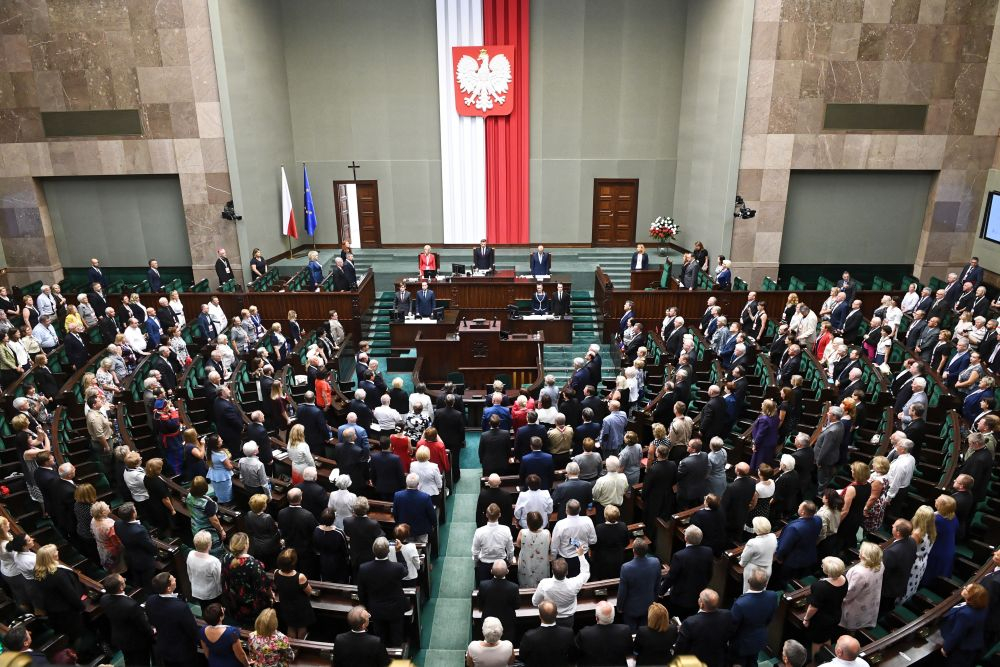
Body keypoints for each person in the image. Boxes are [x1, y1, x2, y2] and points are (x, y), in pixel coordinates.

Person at [658, 525, 713, 620]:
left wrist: (661, 592)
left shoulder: (679, 556)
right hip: (698, 597)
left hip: (680, 599)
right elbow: (709, 573)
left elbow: (671, 577)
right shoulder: (708, 552)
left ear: (685, 538)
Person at [33, 544, 84, 648]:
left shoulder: (38, 572)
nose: (58, 552)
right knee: (76, 635)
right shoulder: (59, 575)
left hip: (53, 611)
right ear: (52, 557)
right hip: (67, 612)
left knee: (64, 635)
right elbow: (70, 594)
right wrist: (81, 606)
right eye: (55, 551)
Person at [146, 573, 200, 667]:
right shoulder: (180, 607)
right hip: (183, 651)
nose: (175, 578)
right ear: (168, 588)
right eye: (173, 579)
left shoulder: (150, 600)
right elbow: (192, 629)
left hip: (164, 647)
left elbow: (151, 620)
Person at [100, 573, 155, 666]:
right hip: (136, 641)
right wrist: (151, 631)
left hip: (120, 638)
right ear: (121, 587)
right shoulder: (130, 605)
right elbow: (143, 625)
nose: (125, 579)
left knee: (129, 660)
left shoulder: (104, 599)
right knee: (142, 662)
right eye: (123, 580)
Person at [531, 545, 590, 626]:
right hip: (568, 619)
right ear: (567, 572)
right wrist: (581, 555)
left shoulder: (544, 584)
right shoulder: (574, 584)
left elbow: (535, 602)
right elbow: (585, 573)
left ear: (552, 571)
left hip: (549, 618)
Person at [731, 567, 779, 667]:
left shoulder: (740, 604)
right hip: (759, 638)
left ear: (748, 581)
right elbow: (769, 619)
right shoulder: (773, 596)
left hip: (741, 644)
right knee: (753, 662)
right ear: (766, 583)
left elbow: (732, 627)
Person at [673, 588, 732, 667]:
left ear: (701, 604)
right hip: (718, 660)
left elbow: (680, 648)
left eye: (699, 598)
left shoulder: (690, 622)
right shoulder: (727, 615)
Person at [802, 556, 848, 654]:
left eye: (823, 565)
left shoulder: (820, 587)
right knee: (827, 637)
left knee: (817, 642)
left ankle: (815, 662)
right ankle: (826, 657)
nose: (822, 566)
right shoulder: (844, 579)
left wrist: (806, 619)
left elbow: (813, 607)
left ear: (827, 571)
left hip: (821, 621)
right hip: (835, 615)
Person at [616, 538, 662, 631]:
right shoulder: (656, 562)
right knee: (645, 633)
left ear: (633, 550)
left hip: (631, 609)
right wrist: (654, 602)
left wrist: (619, 607)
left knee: (631, 634)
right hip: (649, 606)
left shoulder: (626, 568)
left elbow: (622, 591)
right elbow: (657, 585)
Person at [940, 582, 989, 666]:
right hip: (973, 643)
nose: (964, 588)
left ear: (972, 597)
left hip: (961, 650)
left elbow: (956, 634)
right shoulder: (982, 607)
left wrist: (945, 648)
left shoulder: (966, 614)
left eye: (966, 589)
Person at [840, 541, 884, 631]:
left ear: (863, 556)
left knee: (851, 628)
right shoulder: (880, 564)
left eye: (861, 550)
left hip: (856, 606)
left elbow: (849, 593)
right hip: (870, 601)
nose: (859, 551)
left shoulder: (859, 572)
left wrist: (838, 598)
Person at [273, 548, 315, 639]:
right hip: (300, 607)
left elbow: (277, 586)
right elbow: (309, 592)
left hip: (285, 605)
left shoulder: (276, 573)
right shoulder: (300, 577)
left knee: (290, 626)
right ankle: (300, 646)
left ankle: (293, 646)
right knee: (301, 627)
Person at [574, 600, 632, 666]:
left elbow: (575, 655)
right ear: (613, 616)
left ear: (597, 618)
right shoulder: (625, 630)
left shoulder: (584, 633)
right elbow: (629, 651)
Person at [116, 501, 158, 592]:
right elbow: (149, 546)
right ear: (133, 514)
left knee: (137, 578)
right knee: (147, 582)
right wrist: (156, 550)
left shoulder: (117, 524)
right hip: (144, 560)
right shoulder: (139, 530)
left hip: (130, 556)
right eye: (135, 509)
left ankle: (139, 591)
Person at [478, 560, 519, 643]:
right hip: (507, 623)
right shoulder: (513, 587)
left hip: (488, 621)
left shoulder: (483, 585)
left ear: (491, 571)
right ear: (507, 571)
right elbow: (517, 606)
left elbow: (480, 604)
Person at [922, 494, 959, 584]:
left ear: (941, 506)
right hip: (948, 549)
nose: (935, 500)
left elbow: (925, 534)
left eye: (937, 500)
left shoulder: (937, 520)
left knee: (929, 576)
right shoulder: (952, 516)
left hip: (937, 552)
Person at [199, 602, 249, 667]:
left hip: (213, 663)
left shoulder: (202, 631)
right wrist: (247, 665)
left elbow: (206, 652)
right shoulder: (232, 632)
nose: (224, 609)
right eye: (223, 609)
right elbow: (240, 654)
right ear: (220, 617)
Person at [837, 461, 872, 551]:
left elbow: (845, 511)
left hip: (849, 518)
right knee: (849, 536)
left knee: (840, 539)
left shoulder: (852, 489)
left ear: (857, 474)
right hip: (858, 515)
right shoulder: (868, 485)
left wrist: (837, 522)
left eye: (852, 470)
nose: (851, 471)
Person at [740, 516, 777, 593]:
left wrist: (742, 564)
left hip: (753, 571)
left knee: (748, 592)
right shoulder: (773, 536)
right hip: (767, 569)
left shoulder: (752, 542)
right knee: (762, 591)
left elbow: (744, 559)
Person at [187, 530, 223, 608]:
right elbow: (219, 580)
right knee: (214, 612)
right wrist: (221, 592)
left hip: (196, 591)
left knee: (204, 610)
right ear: (209, 545)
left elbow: (189, 573)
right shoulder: (213, 561)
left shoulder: (190, 554)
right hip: (211, 594)